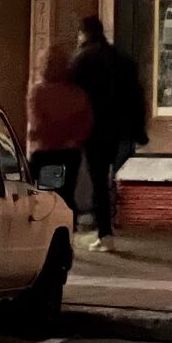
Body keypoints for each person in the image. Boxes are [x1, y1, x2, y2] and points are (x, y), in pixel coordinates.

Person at [70, 16, 145, 249]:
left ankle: (103, 232)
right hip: (120, 130)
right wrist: (138, 129)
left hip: (93, 130)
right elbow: (136, 95)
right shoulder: (121, 60)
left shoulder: (82, 60)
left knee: (98, 179)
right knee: (106, 178)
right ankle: (106, 228)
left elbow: (72, 96)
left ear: (84, 33)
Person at [26, 45, 93, 211]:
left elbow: (37, 125)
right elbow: (86, 123)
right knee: (66, 195)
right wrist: (73, 139)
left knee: (49, 198)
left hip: (47, 152)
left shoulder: (39, 92)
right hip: (70, 152)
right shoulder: (77, 94)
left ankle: (52, 233)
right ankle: (67, 230)